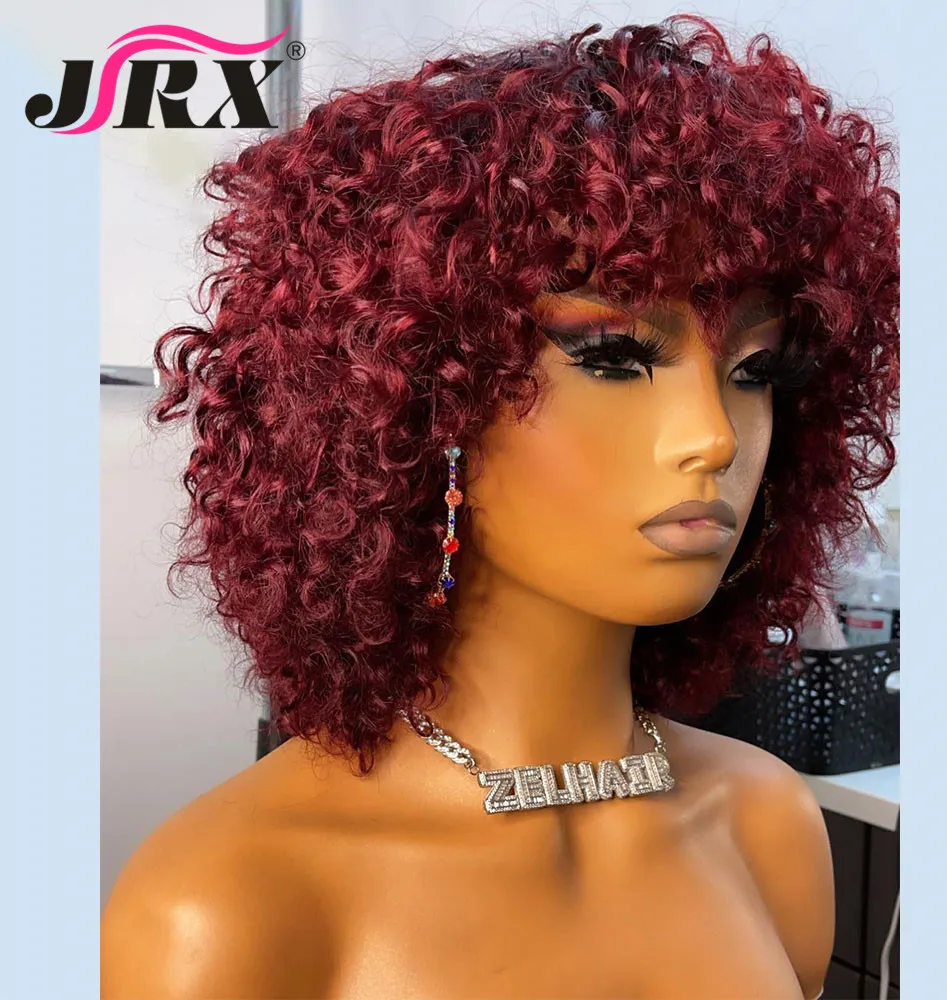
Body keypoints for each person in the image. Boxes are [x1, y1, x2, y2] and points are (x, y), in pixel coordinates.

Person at [100, 15, 899, 999]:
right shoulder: (228, 910)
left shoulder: (767, 827)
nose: (714, 436)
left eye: (754, 370)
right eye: (614, 357)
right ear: (418, 394)